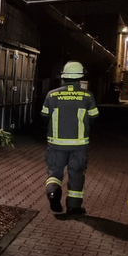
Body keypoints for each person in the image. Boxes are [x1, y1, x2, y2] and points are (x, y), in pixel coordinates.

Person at [40, 61, 99, 215]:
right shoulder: (87, 96)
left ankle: (53, 194)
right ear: (80, 77)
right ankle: (74, 207)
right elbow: (94, 117)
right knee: (77, 175)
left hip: (56, 144)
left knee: (54, 173)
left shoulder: (52, 95)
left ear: (64, 77)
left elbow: (44, 116)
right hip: (79, 146)